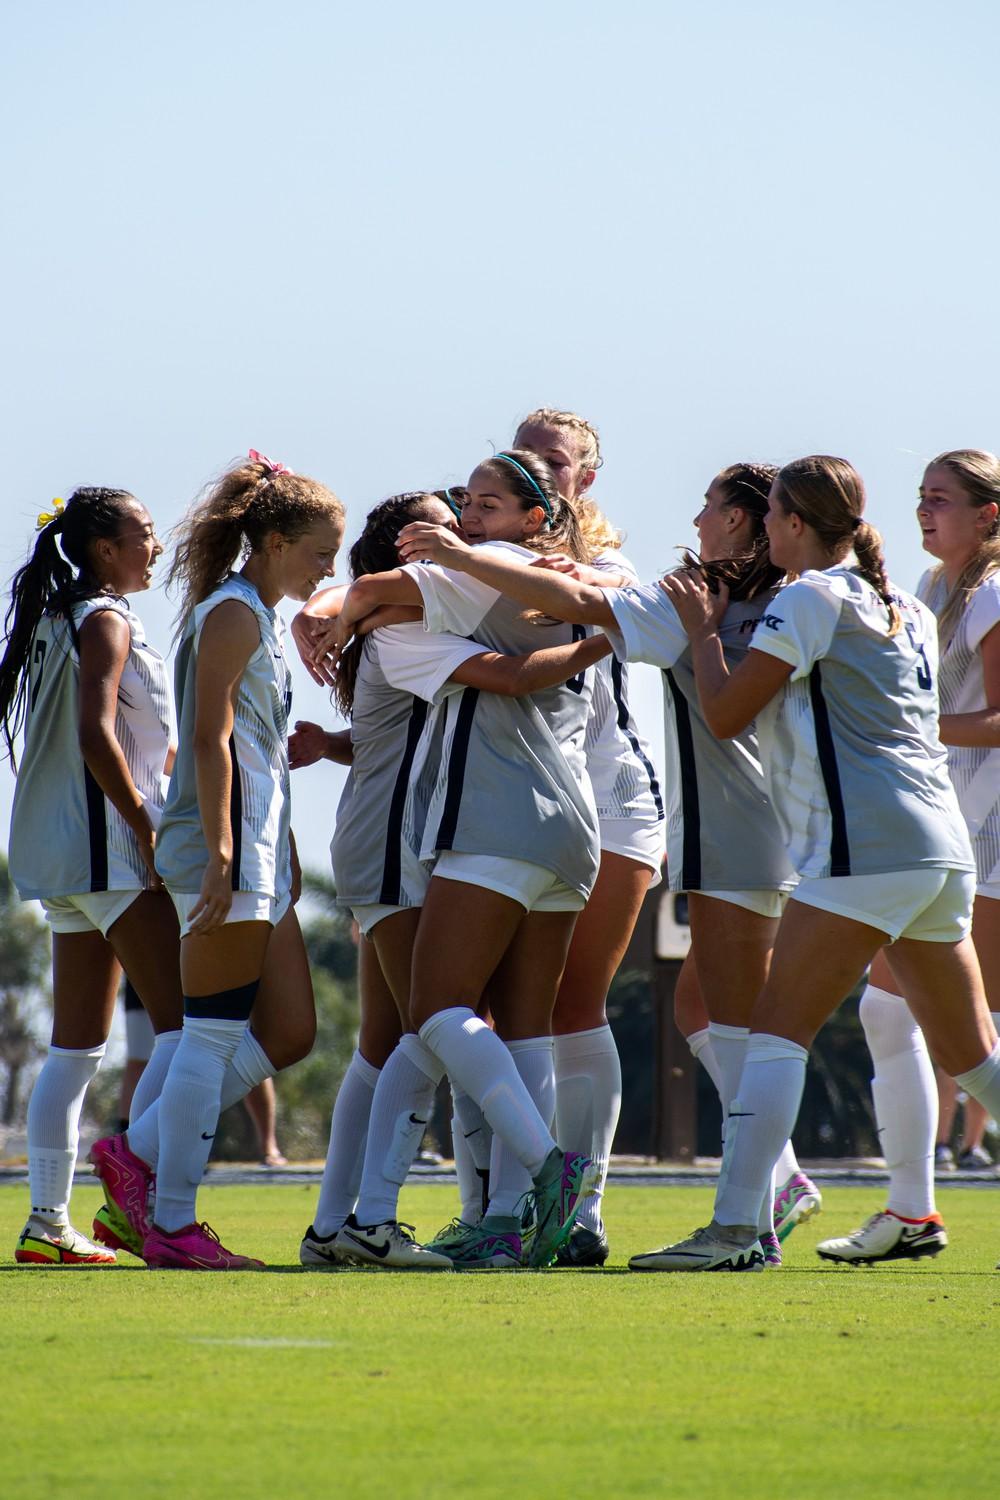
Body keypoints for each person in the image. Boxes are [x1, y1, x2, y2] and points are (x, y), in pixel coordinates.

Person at [396, 461, 802, 1265]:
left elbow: (585, 606)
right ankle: (752, 1205)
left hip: (737, 834)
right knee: (724, 1019)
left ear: (748, 524)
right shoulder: (801, 594)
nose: (693, 518)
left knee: (753, 1032)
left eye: (710, 507)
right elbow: (582, 592)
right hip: (778, 832)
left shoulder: (709, 601)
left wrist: (451, 551)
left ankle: (741, 1223)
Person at [636, 454, 1000, 1272]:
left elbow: (727, 715)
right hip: (938, 851)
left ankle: (737, 1232)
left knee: (773, 1036)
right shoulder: (899, 599)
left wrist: (701, 632)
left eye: (771, 519)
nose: (763, 531)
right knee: (975, 1056)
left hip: (864, 851)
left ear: (797, 524)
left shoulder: (808, 596)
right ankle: (745, 1226)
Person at [294, 487, 611, 1268]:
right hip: (396, 844)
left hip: (425, 835)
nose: (459, 535)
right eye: (437, 530)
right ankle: (381, 1217)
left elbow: (383, 726)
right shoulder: (402, 625)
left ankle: (370, 1223)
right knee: (419, 1033)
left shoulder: (412, 612)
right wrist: (608, 632)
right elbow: (504, 677)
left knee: (412, 1037)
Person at [90, 452, 345, 1270]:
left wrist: (283, 849)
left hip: (257, 845)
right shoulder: (233, 612)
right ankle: (171, 1221)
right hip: (221, 848)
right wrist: (226, 853)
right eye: (319, 552)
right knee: (209, 1034)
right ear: (270, 541)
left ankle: (136, 1158)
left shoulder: (261, 615)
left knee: (292, 1029)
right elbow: (210, 738)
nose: (328, 570)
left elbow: (262, 749)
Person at [818, 449, 1000, 1263]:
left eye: (943, 500)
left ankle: (912, 1211)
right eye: (921, 498)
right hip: (947, 827)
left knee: (964, 1028)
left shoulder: (992, 591)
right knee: (893, 1011)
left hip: (989, 830)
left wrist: (907, 732)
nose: (925, 512)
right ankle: (912, 1214)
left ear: (988, 515)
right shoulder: (929, 591)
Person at [1, 488, 182, 1265]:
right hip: (106, 848)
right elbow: (95, 733)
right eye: (144, 534)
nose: (157, 546)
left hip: (57, 855)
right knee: (192, 1029)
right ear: (105, 549)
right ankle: (147, 1194)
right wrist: (146, 825)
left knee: (75, 1048)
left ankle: (49, 1223)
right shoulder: (105, 618)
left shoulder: (53, 618)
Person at [511, 409, 665, 1266]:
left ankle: (586, 1202)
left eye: (554, 458)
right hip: (527, 802)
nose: (537, 467)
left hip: (612, 801)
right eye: (524, 452)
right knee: (511, 1010)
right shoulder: (490, 549)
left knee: (575, 1004)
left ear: (584, 478)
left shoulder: (609, 565)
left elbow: (576, 601)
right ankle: (510, 1203)